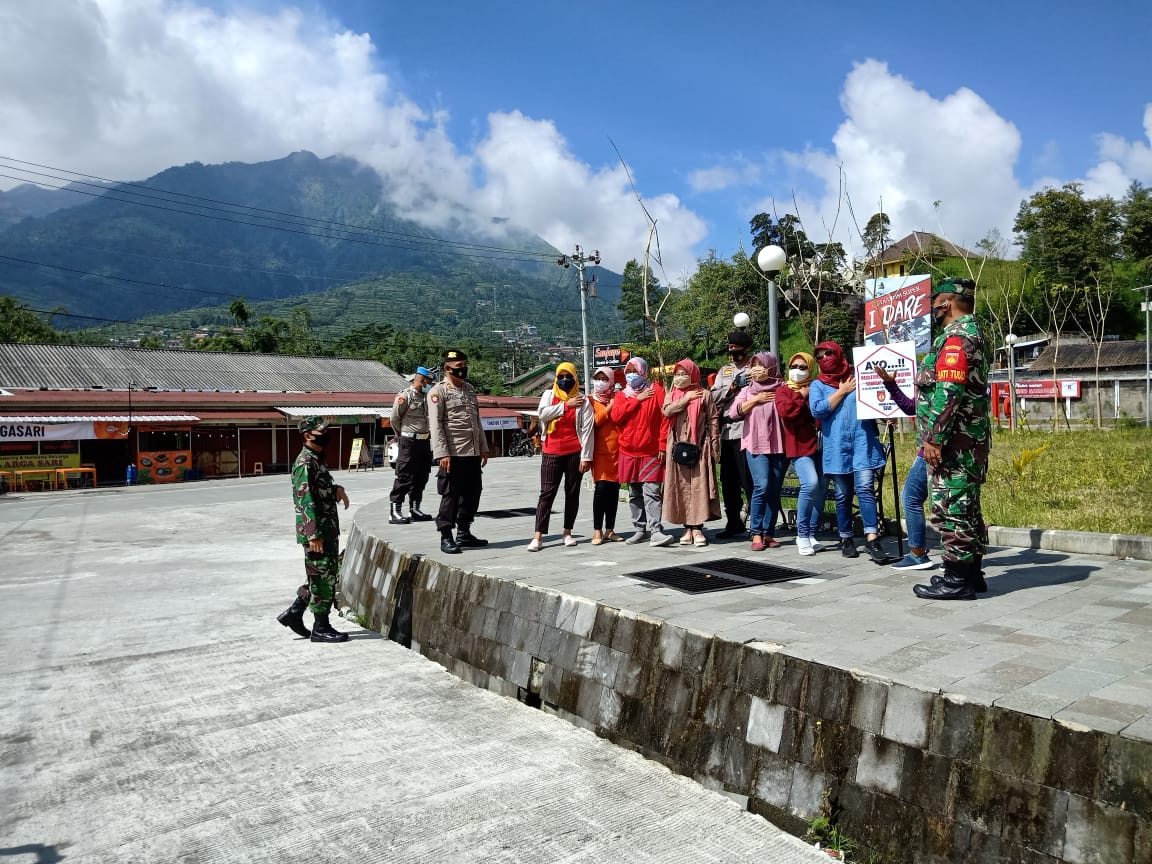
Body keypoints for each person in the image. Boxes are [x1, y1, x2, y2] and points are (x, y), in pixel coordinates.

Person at [912, 278, 992, 600]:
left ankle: (957, 581)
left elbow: (948, 392)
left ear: (945, 305)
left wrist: (933, 439)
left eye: (934, 304)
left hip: (954, 443)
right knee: (968, 507)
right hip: (969, 441)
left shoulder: (956, 339)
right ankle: (971, 575)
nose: (932, 310)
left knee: (951, 508)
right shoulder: (975, 333)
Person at [809, 341, 888, 563]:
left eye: (829, 353)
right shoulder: (818, 384)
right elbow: (817, 410)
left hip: (863, 443)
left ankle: (873, 538)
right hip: (836, 447)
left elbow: (874, 402)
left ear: (839, 353)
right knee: (843, 495)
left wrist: (887, 414)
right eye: (819, 356)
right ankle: (846, 538)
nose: (824, 358)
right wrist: (842, 391)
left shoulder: (859, 375)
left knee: (864, 490)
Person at [280, 416, 351, 643]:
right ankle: (321, 627)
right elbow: (305, 499)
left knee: (322, 575)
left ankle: (294, 613)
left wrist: (336, 489)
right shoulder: (305, 463)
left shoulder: (317, 459)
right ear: (308, 435)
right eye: (320, 431)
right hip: (317, 533)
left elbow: (320, 491)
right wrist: (313, 534)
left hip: (327, 529)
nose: (325, 434)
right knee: (323, 578)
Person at [527, 363, 595, 551]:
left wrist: (586, 456)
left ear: (575, 377)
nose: (565, 380)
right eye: (561, 376)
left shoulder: (583, 401)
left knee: (572, 493)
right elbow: (542, 414)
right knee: (547, 493)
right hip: (551, 451)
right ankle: (538, 536)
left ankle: (568, 532)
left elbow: (588, 430)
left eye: (568, 376)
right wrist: (566, 405)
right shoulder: (549, 395)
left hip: (574, 451)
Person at [874, 363, 935, 571]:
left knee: (912, 497)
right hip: (931, 446)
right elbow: (911, 407)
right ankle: (959, 559)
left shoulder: (944, 375)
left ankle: (919, 553)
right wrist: (891, 385)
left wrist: (934, 441)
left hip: (934, 447)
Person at [430, 348, 489, 555]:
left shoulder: (469, 389)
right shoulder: (438, 392)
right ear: (447, 368)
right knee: (451, 496)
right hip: (452, 454)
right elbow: (436, 425)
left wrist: (483, 447)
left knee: (473, 493)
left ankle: (464, 532)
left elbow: (476, 422)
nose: (462, 370)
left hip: (471, 452)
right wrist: (442, 453)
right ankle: (446, 535)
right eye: (458, 367)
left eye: (464, 366)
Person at [610, 357, 674, 547]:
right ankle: (640, 529)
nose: (631, 375)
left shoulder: (656, 391)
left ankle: (656, 530)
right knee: (634, 492)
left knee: (652, 491)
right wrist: (636, 401)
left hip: (651, 452)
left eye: (635, 371)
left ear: (643, 372)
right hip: (628, 451)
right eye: (628, 371)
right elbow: (616, 417)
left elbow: (665, 420)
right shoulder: (622, 395)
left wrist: (662, 445)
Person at [730, 352, 788, 551]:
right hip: (755, 445)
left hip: (779, 446)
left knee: (774, 489)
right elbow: (733, 412)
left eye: (760, 365)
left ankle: (769, 532)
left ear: (771, 367)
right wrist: (756, 400)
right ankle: (756, 533)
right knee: (762, 486)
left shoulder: (783, 388)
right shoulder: (748, 390)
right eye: (753, 365)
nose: (755, 369)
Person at [662, 358, 721, 546]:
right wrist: (685, 400)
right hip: (677, 447)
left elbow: (713, 419)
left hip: (699, 446)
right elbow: (666, 412)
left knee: (698, 485)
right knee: (679, 486)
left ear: (693, 374)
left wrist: (714, 445)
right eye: (677, 375)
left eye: (684, 374)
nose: (680, 378)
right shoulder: (671, 394)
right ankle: (686, 528)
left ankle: (697, 528)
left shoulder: (704, 394)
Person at [775, 351, 826, 556]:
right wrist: (801, 395)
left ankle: (812, 534)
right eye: (794, 366)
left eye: (802, 367)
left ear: (811, 368)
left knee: (821, 488)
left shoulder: (818, 386)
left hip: (821, 446)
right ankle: (802, 534)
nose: (797, 370)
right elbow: (786, 412)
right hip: (798, 446)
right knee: (810, 483)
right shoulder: (784, 390)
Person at [710, 330, 755, 537]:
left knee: (748, 480)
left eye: (736, 348)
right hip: (726, 431)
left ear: (746, 349)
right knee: (728, 481)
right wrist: (732, 388)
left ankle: (757, 522)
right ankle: (734, 522)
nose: (732, 352)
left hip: (747, 430)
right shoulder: (725, 371)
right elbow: (713, 397)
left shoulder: (755, 368)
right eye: (730, 348)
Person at [388, 365, 436, 525]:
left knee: (421, 475)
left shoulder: (426, 397)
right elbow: (394, 419)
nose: (430, 384)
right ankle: (395, 511)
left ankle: (415, 508)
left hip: (424, 441)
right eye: (429, 381)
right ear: (422, 380)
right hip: (408, 441)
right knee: (404, 476)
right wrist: (401, 436)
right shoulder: (405, 396)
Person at [589, 367, 625, 545]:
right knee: (601, 490)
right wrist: (610, 407)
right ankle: (597, 530)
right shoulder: (590, 400)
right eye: (598, 378)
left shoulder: (618, 397)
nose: (601, 382)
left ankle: (610, 529)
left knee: (613, 492)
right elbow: (594, 422)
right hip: (600, 453)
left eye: (605, 379)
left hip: (618, 452)